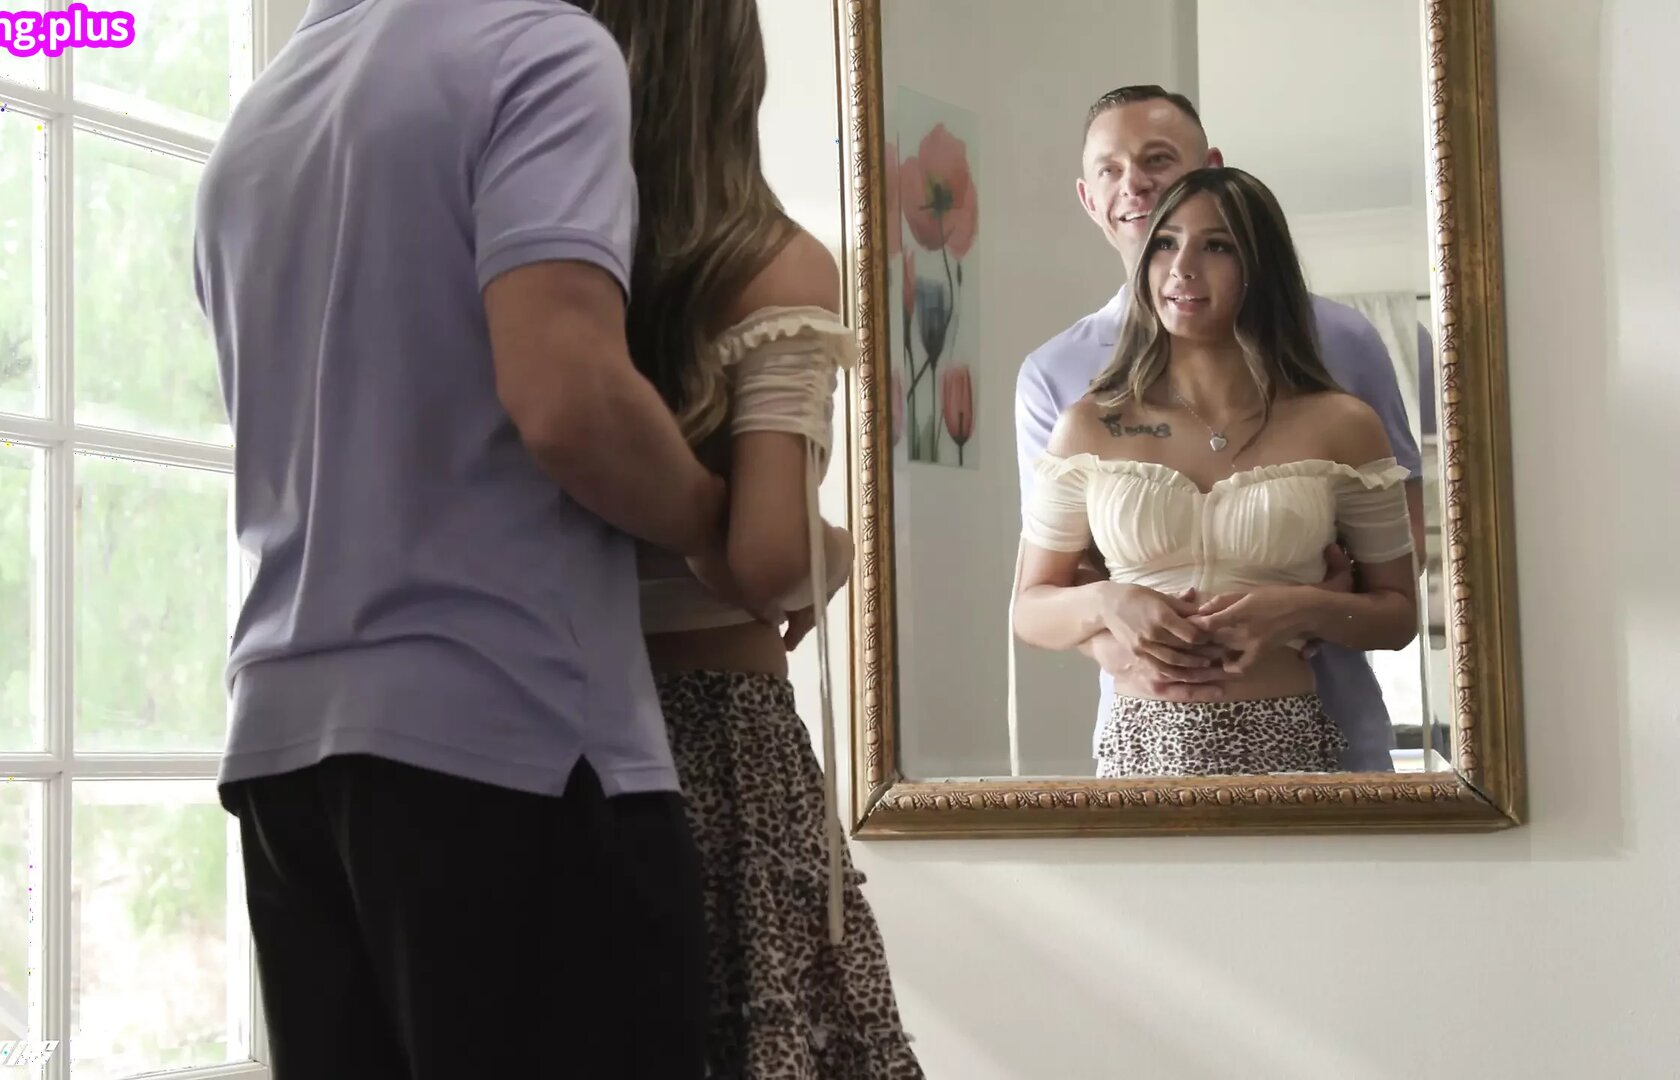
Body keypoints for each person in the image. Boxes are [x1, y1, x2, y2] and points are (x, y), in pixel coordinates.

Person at [191, 1, 729, 1075]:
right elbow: (568, 400)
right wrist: (719, 530)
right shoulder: (539, 48)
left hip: (283, 751)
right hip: (509, 734)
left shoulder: (257, 121)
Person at [581, 1, 925, 1075]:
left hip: (560, 717)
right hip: (720, 733)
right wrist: (841, 552)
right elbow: (768, 560)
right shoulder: (775, 270)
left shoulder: (546, 260)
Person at [1013, 85, 1427, 772]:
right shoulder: (1071, 398)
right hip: (1140, 741)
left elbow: (1398, 586)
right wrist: (1123, 626)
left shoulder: (1343, 372)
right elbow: (1044, 594)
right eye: (1166, 244)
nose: (1182, 268)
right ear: (1089, 197)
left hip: (1312, 733)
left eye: (1216, 246)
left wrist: (1302, 606)